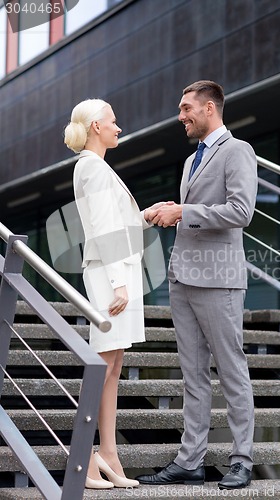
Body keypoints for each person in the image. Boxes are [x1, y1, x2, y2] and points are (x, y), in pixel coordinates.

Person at [136, 80, 257, 490]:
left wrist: (183, 210)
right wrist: (168, 210)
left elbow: (241, 211)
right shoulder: (191, 161)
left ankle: (242, 460)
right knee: (193, 376)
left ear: (209, 108)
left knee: (232, 370)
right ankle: (191, 461)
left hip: (219, 281)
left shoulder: (238, 151)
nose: (181, 115)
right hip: (182, 278)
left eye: (186, 108)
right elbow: (192, 212)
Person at [64, 99, 160, 489]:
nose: (119, 128)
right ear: (97, 127)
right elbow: (102, 229)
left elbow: (113, 223)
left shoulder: (95, 167)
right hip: (110, 275)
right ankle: (86, 455)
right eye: (114, 122)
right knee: (102, 368)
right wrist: (119, 282)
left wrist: (143, 215)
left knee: (114, 366)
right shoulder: (92, 167)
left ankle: (108, 452)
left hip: (114, 270)